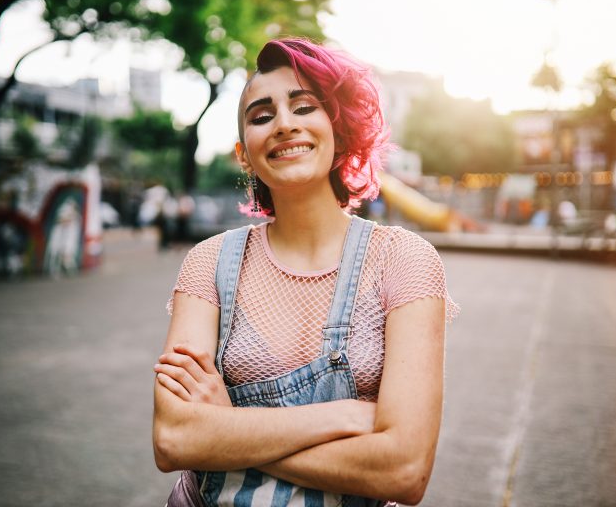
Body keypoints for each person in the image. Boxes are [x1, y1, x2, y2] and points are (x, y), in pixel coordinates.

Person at [152, 38, 459, 506]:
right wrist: (348, 417)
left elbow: (405, 469)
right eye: (261, 115)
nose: (284, 124)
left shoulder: (404, 261)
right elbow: (175, 440)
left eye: (304, 107)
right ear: (243, 153)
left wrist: (227, 424)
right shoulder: (208, 263)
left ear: (337, 128)